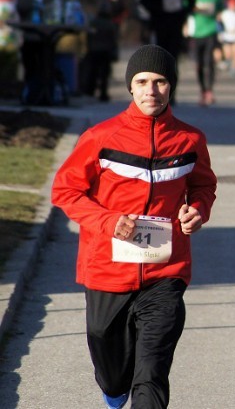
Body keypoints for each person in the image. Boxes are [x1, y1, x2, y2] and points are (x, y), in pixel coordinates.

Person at [51, 45, 217, 409]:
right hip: (107, 269)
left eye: (160, 82)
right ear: (130, 86)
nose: (151, 90)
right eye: (142, 81)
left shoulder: (189, 140)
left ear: (171, 86)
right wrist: (109, 221)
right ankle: (113, 392)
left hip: (166, 270)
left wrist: (198, 210)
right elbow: (65, 190)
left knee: (152, 369)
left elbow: (203, 185)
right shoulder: (101, 137)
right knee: (109, 362)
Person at [14, 0, 70, 101]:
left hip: (33, 32)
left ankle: (33, 95)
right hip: (53, 32)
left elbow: (22, 3)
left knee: (32, 65)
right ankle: (49, 93)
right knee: (49, 63)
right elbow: (67, 5)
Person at [189, 0, 224, 106]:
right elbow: (186, 7)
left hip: (211, 31)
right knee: (199, 64)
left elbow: (221, 8)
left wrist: (220, 17)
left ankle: (209, 90)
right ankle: (202, 90)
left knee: (209, 62)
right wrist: (196, 9)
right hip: (197, 32)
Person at [82, 1, 119, 102]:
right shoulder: (110, 24)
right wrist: (114, 52)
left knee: (92, 72)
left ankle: (90, 91)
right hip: (105, 51)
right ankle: (103, 93)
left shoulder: (94, 22)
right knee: (104, 74)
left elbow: (89, 36)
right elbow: (113, 40)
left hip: (94, 50)